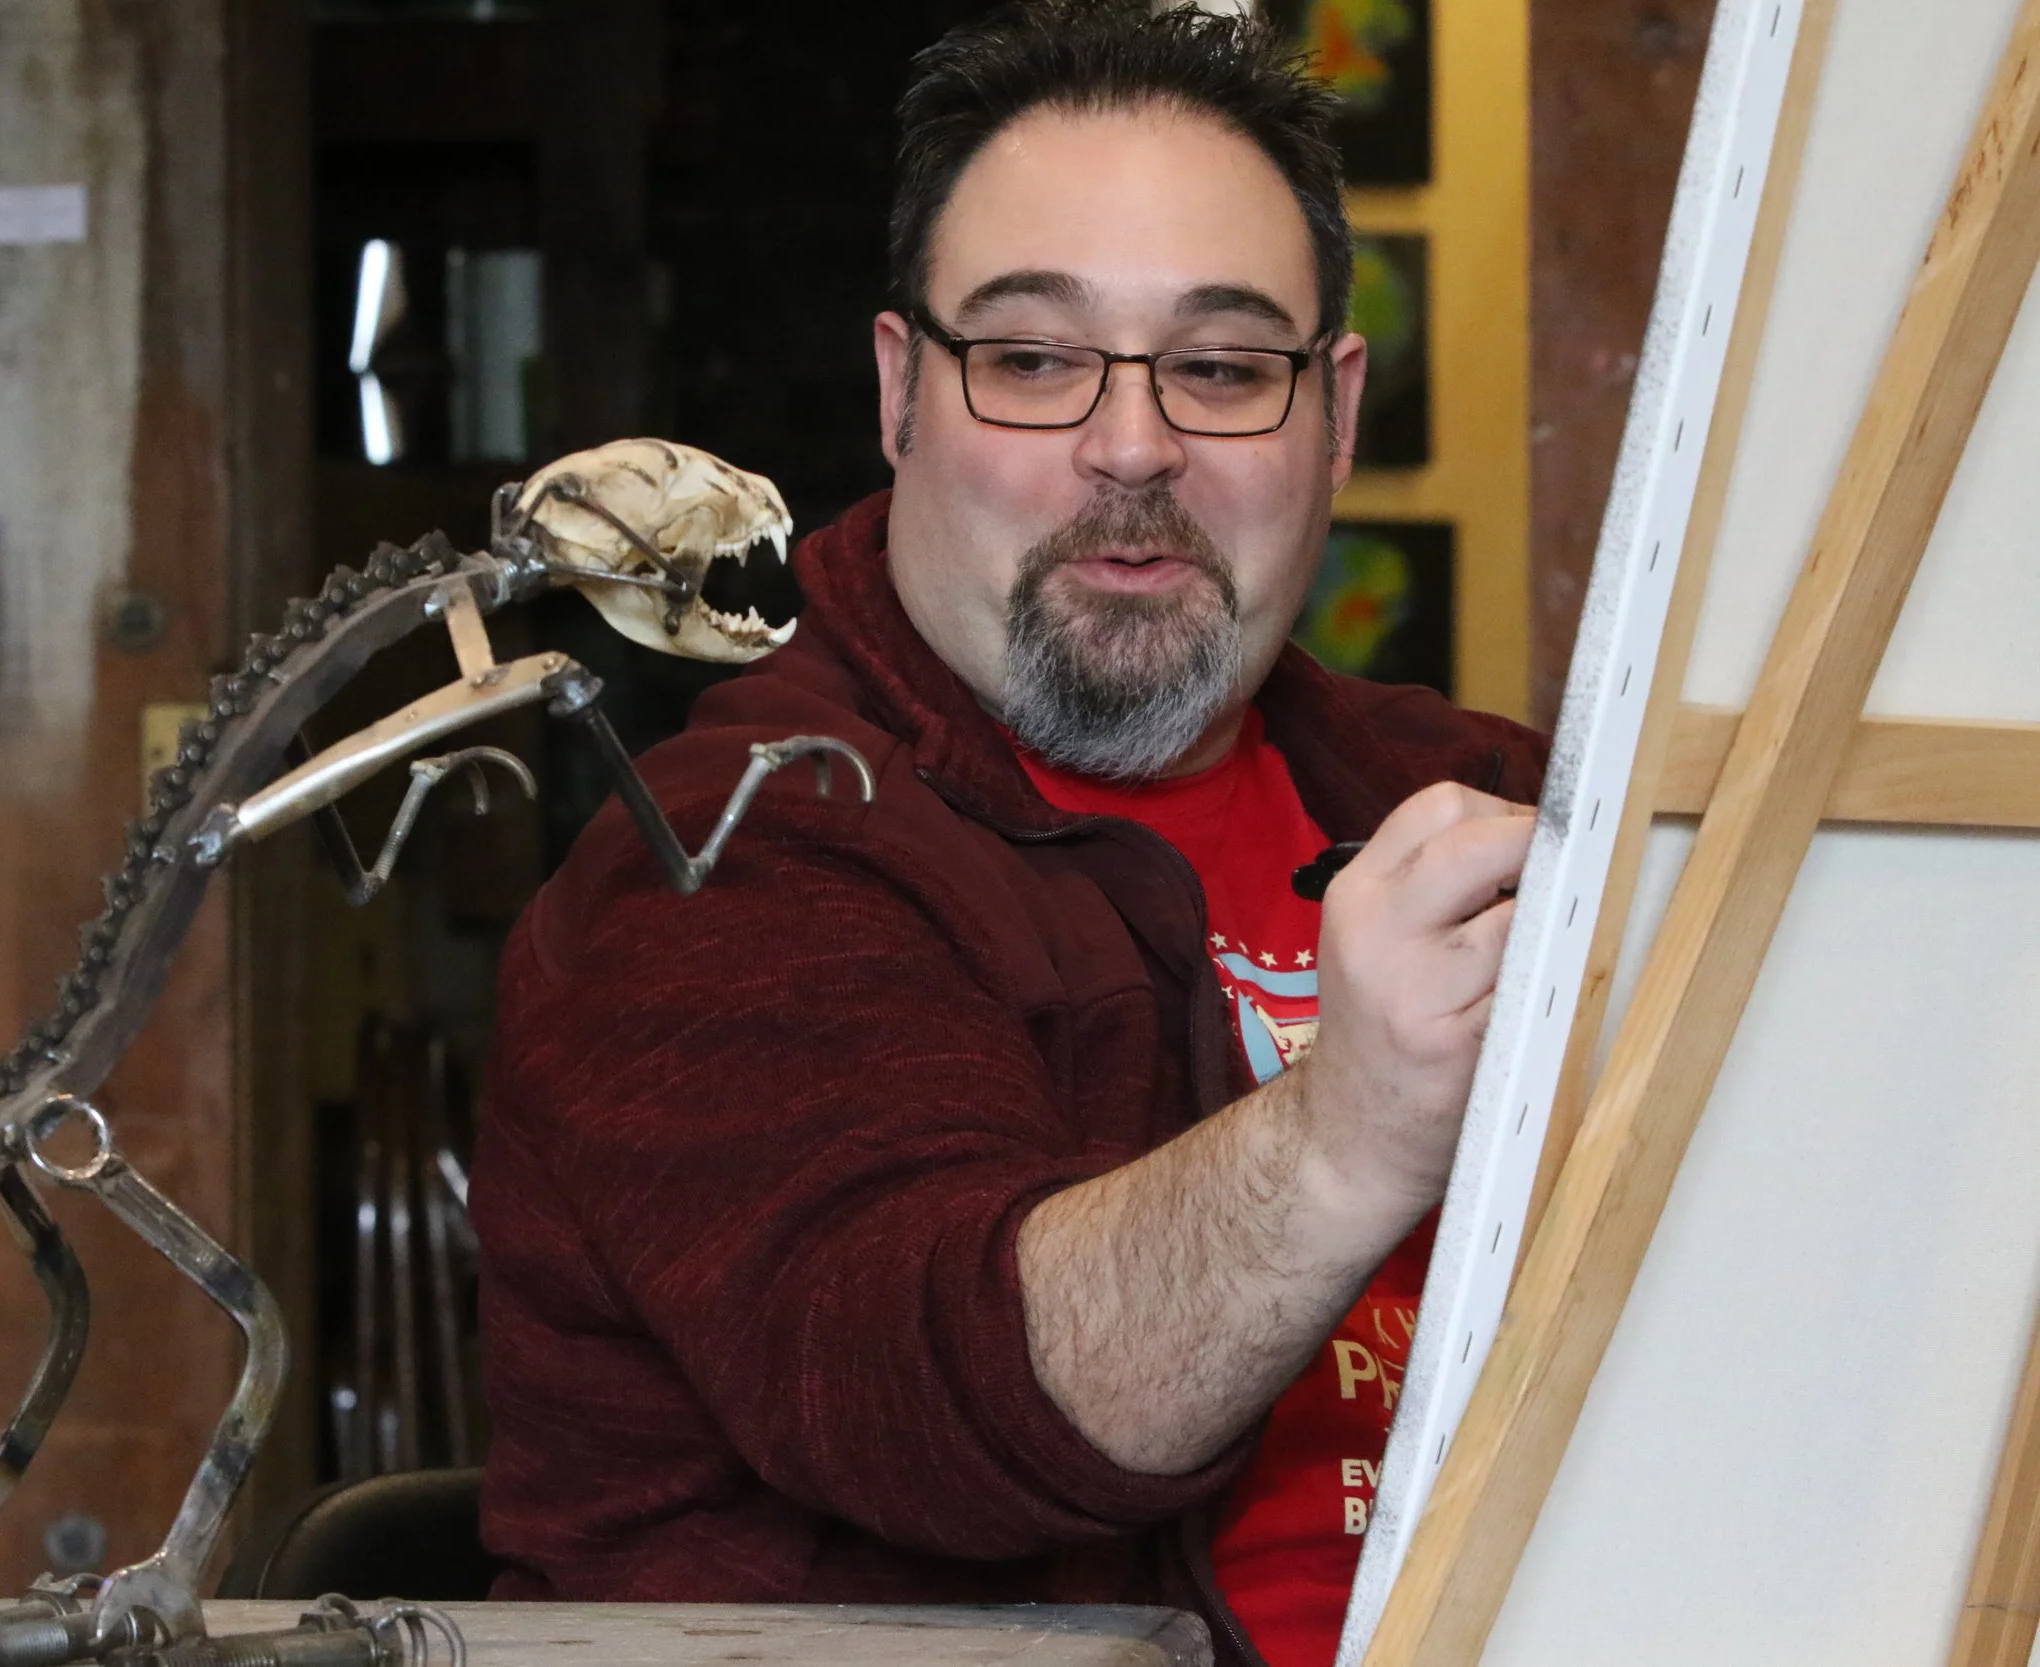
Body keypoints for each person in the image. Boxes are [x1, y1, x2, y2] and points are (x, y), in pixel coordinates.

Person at [471, 5, 1545, 1662]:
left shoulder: (1481, 792)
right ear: (903, 392)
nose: (1132, 448)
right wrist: (1346, 1136)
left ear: (1332, 414)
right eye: (1034, 359)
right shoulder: (716, 861)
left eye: (1223, 366)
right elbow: (928, 1391)